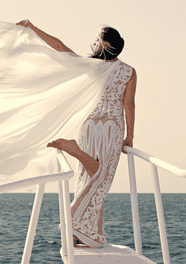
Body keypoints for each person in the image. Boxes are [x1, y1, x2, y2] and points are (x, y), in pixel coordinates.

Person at [17, 19, 137, 248]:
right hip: (112, 126)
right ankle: (73, 151)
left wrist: (33, 28)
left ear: (103, 44)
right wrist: (130, 136)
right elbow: (129, 104)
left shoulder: (90, 66)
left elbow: (61, 48)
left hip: (91, 125)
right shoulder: (129, 72)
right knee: (102, 177)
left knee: (89, 177)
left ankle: (84, 232)